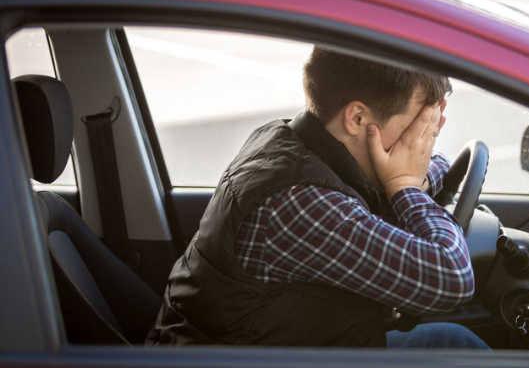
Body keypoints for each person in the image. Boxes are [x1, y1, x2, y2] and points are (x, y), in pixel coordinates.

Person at [149, 47, 487, 349]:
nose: (423, 138)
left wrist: (413, 176)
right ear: (357, 118)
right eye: (417, 124)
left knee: (454, 343)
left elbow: (430, 161)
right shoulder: (298, 202)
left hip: (298, 345)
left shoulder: (289, 138)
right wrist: (407, 187)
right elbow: (452, 280)